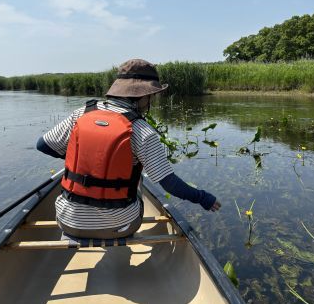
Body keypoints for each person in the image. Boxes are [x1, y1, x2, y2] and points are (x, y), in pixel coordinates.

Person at [36, 58, 221, 239]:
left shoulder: (81, 113)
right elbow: (170, 183)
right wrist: (204, 198)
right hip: (119, 227)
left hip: (67, 222)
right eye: (151, 96)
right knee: (137, 177)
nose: (150, 102)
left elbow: (43, 145)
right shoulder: (142, 130)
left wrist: (84, 158)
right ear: (141, 96)